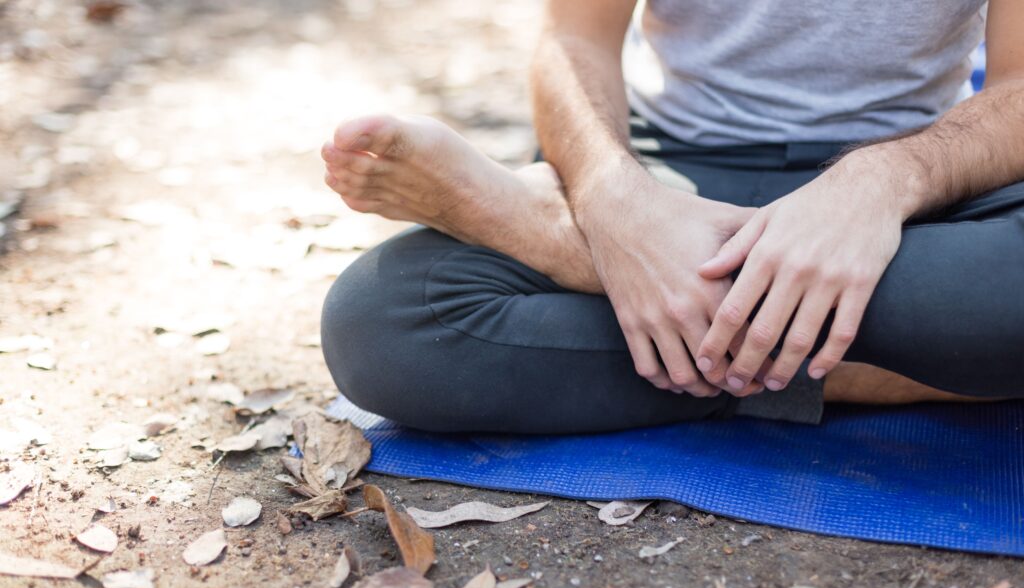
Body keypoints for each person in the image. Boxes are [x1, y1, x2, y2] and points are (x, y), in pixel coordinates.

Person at [317, 0, 1024, 434]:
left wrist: (882, 179)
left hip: (909, 185)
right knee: (380, 322)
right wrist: (612, 197)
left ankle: (565, 249)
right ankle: (876, 355)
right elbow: (574, 37)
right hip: (668, 169)